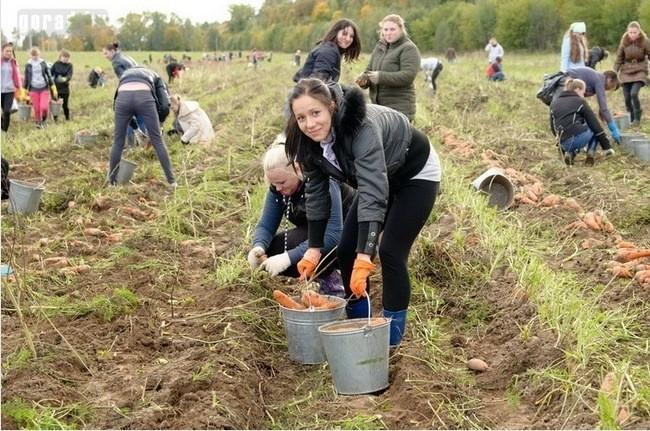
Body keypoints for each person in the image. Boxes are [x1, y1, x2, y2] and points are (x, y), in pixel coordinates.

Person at [285, 78, 442, 346]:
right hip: (378, 179)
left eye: (315, 113)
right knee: (346, 250)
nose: (309, 124)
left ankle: (391, 338)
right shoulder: (308, 140)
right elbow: (316, 194)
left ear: (332, 107)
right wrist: (313, 248)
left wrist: (365, 255)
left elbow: (372, 192)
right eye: (301, 117)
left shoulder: (361, 127)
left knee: (391, 251)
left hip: (414, 175)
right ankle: (360, 324)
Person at [248, 142, 355, 297]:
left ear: (297, 169)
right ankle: (323, 277)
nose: (278, 189)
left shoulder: (322, 181)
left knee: (295, 248)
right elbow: (266, 225)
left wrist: (288, 258)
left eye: (282, 182)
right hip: (315, 233)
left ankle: (335, 280)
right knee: (271, 250)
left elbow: (333, 235)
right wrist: (258, 247)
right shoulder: (278, 189)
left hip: (349, 236)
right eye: (273, 184)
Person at [108, 66, 176, 187]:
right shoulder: (156, 76)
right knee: (157, 142)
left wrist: (135, 129)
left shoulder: (125, 74)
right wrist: (159, 126)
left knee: (118, 141)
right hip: (144, 98)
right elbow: (165, 106)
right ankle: (172, 182)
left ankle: (112, 182)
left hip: (122, 99)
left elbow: (116, 105)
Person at [358, 14, 421, 121]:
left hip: (399, 108)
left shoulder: (408, 48)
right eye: (385, 29)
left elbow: (408, 76)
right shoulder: (379, 47)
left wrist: (380, 77)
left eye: (392, 29)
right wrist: (364, 80)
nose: (388, 33)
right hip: (379, 108)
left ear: (401, 29)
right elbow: (369, 69)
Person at [550, 78, 612, 166]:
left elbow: (553, 126)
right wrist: (607, 147)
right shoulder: (580, 101)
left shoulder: (554, 103)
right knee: (592, 128)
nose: (583, 95)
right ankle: (590, 153)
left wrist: (560, 142)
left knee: (576, 127)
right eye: (583, 92)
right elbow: (595, 126)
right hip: (576, 139)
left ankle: (570, 153)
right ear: (577, 89)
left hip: (563, 143)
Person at [559, 67, 621, 151]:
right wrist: (613, 128)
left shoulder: (597, 77)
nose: (609, 89)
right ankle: (581, 145)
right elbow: (604, 108)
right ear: (610, 79)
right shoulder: (600, 80)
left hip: (566, 82)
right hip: (567, 81)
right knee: (590, 123)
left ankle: (577, 144)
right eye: (612, 86)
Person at [293, 19, 361, 84]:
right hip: (310, 94)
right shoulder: (328, 52)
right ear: (335, 33)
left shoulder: (328, 48)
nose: (348, 38)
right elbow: (318, 82)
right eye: (344, 34)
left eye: (351, 36)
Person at [614, 21, 650, 127]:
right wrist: (614, 71)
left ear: (639, 32)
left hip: (640, 70)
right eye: (630, 32)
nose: (633, 34)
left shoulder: (645, 41)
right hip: (626, 71)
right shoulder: (624, 42)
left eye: (635, 32)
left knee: (634, 93)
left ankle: (637, 117)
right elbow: (619, 58)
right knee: (626, 97)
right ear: (627, 32)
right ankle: (631, 116)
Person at [23, 46, 56, 128]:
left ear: (39, 54)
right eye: (33, 55)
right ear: (30, 55)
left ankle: (44, 118)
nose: (35, 57)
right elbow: (26, 78)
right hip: (33, 89)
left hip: (44, 87)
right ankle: (38, 123)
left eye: (36, 55)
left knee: (44, 107)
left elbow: (48, 75)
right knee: (37, 108)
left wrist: (53, 86)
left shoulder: (43, 63)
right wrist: (23, 90)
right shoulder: (28, 65)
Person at [1, 42, 23, 133]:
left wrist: (19, 87)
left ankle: (4, 131)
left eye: (10, 51)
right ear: (2, 52)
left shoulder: (13, 62)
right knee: (4, 112)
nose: (9, 53)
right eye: (7, 51)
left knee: (7, 111)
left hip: (9, 91)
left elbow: (17, 75)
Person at [51, 50, 73, 121]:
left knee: (65, 105)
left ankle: (67, 118)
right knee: (55, 104)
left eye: (67, 57)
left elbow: (69, 75)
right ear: (60, 57)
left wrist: (65, 79)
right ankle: (55, 119)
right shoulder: (56, 64)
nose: (66, 58)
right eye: (64, 57)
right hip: (56, 88)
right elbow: (51, 73)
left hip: (65, 88)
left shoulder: (70, 65)